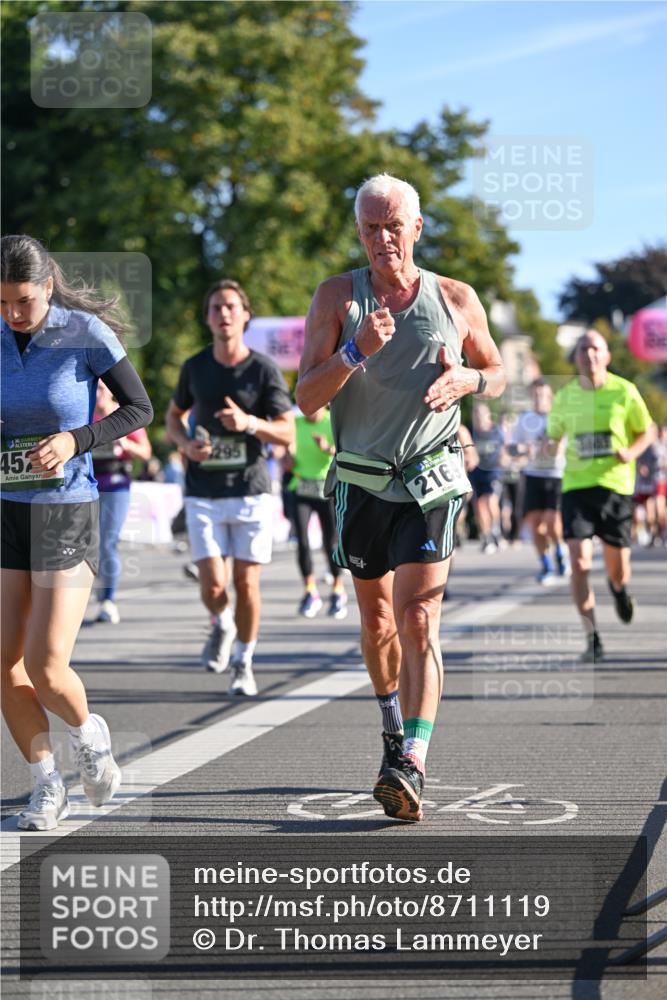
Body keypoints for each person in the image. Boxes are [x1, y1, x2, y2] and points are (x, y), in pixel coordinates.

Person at [296, 173, 505, 822]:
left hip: (430, 478)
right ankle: (391, 724)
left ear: (417, 227)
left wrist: (468, 379)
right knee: (378, 623)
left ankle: (411, 760)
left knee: (418, 617)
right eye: (369, 227)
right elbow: (305, 398)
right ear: (357, 231)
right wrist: (356, 350)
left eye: (393, 226)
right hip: (359, 482)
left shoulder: (455, 297)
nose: (382, 239)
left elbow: (495, 374)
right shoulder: (337, 296)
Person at [1, 234, 153, 831]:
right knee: (4, 664)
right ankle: (45, 785)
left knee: (45, 663)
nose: (13, 314)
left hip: (66, 506)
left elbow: (138, 408)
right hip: (7, 508)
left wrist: (74, 439)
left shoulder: (83, 332)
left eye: (24, 302)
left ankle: (90, 736)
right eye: (3, 303)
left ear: (46, 288)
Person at [165, 279, 294, 696]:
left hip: (250, 488)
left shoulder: (263, 369)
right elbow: (172, 416)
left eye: (231, 307)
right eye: (216, 307)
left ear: (245, 315)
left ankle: (243, 660)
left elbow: (287, 431)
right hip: (203, 490)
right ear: (207, 318)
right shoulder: (195, 367)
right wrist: (185, 445)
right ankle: (220, 623)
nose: (223, 313)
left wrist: (250, 423)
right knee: (214, 586)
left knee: (247, 584)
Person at [547, 330, 656, 662]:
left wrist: (632, 451)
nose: (589, 354)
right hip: (576, 487)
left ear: (607, 355)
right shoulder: (565, 396)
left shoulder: (625, 391)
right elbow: (554, 437)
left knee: (618, 568)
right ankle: (592, 637)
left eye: (595, 348)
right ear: (576, 357)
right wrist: (549, 449)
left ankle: (619, 590)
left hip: (615, 487)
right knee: (579, 563)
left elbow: (647, 430)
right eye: (583, 349)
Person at [92, 381, 152, 624]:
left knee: (107, 541)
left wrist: (124, 443)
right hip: (87, 485)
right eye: (94, 389)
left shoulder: (125, 414)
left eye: (102, 389)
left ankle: (108, 599)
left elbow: (146, 452)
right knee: (87, 544)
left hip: (116, 484)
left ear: (110, 391)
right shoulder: (83, 413)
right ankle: (94, 587)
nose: (98, 394)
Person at [286, 407, 347, 619]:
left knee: (329, 542)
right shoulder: (296, 423)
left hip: (326, 488)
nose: (311, 411)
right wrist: (286, 457)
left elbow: (345, 450)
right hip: (301, 487)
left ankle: (338, 590)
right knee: (301, 541)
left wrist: (327, 448)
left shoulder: (334, 420)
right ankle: (310, 591)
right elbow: (284, 448)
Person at [512, 378, 569, 584]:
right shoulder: (524, 419)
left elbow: (566, 446)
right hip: (533, 474)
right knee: (536, 525)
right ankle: (546, 564)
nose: (539, 399)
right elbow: (512, 447)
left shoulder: (559, 417)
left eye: (543, 395)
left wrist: (553, 447)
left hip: (556, 475)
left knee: (553, 523)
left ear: (550, 397)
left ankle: (561, 551)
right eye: (536, 395)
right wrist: (522, 450)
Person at [469, 402, 505, 553]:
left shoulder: (496, 431)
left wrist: (503, 458)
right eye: (476, 415)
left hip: (493, 471)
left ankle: (496, 528)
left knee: (490, 501)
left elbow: (504, 448)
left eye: (482, 414)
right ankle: (486, 536)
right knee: (479, 505)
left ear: (488, 416)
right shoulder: (471, 433)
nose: (479, 418)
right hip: (476, 472)